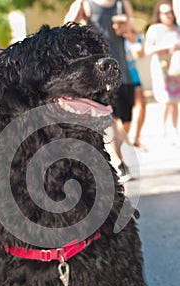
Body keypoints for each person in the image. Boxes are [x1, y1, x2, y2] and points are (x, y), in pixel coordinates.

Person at [64, 0, 138, 182]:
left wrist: (126, 31)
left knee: (127, 118)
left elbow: (134, 36)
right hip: (98, 72)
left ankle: (119, 151)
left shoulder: (122, 3)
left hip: (122, 68)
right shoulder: (85, 3)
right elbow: (66, 28)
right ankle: (119, 162)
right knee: (108, 116)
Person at [144, 0, 180, 142]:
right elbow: (147, 50)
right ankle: (165, 131)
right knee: (166, 101)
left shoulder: (176, 29)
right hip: (161, 70)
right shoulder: (154, 29)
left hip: (175, 70)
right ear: (159, 14)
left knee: (175, 101)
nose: (169, 15)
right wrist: (166, 46)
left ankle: (175, 131)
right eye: (165, 13)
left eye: (170, 12)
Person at [124, 35, 148, 152]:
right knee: (124, 115)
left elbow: (140, 53)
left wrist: (130, 37)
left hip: (134, 77)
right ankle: (124, 142)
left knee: (142, 107)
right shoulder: (113, 39)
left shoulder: (133, 37)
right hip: (122, 81)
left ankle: (136, 139)